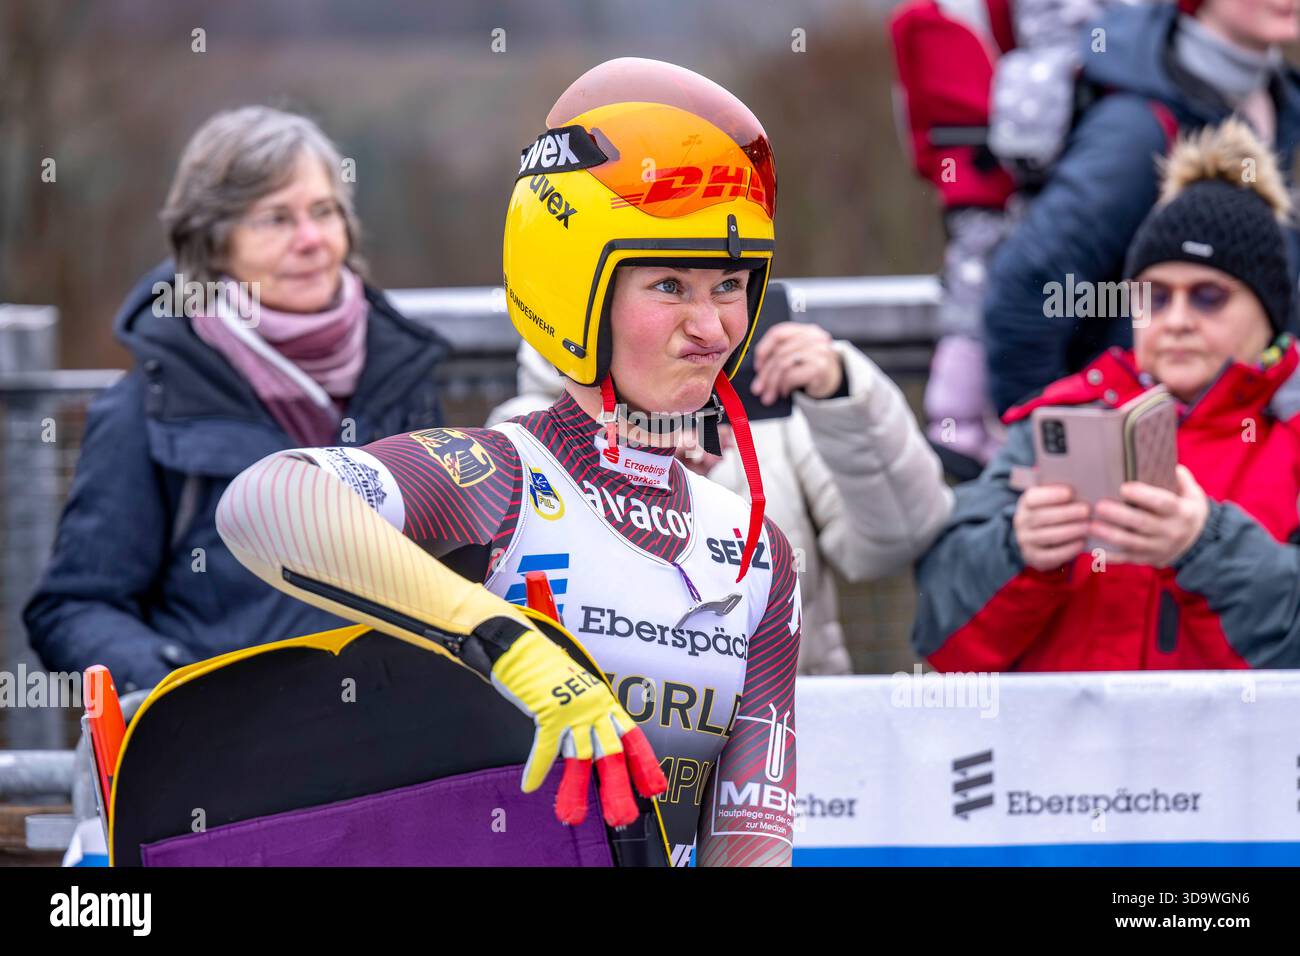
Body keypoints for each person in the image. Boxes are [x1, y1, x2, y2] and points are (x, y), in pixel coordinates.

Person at [216, 59, 799, 866]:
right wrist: (501, 640)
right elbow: (263, 500)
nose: (712, 327)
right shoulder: (497, 476)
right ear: (571, 291)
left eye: (730, 284)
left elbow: (753, 841)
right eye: (670, 285)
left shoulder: (759, 553)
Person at [24, 106, 449, 693]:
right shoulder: (149, 404)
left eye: (323, 211)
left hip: (396, 739)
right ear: (213, 246)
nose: (310, 240)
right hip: (235, 763)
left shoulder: (402, 377)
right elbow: (74, 608)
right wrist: (184, 696)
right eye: (275, 219)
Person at [913, 118, 1300, 671]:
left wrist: (1206, 547)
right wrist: (1018, 550)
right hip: (1057, 758)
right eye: (1156, 297)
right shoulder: (1056, 421)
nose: (1177, 321)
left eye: (1209, 297)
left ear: (1269, 315)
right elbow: (940, 638)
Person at [489, 305, 954, 676]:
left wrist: (841, 396)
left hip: (791, 730)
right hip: (603, 734)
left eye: (725, 285)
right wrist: (642, 471)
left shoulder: (774, 413)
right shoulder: (522, 437)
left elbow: (894, 543)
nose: (703, 322)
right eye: (665, 287)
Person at [983, 0, 1300, 416]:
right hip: (1138, 454)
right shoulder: (1138, 128)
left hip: (1233, 449)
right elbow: (1029, 286)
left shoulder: (1275, 103)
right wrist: (1060, 444)